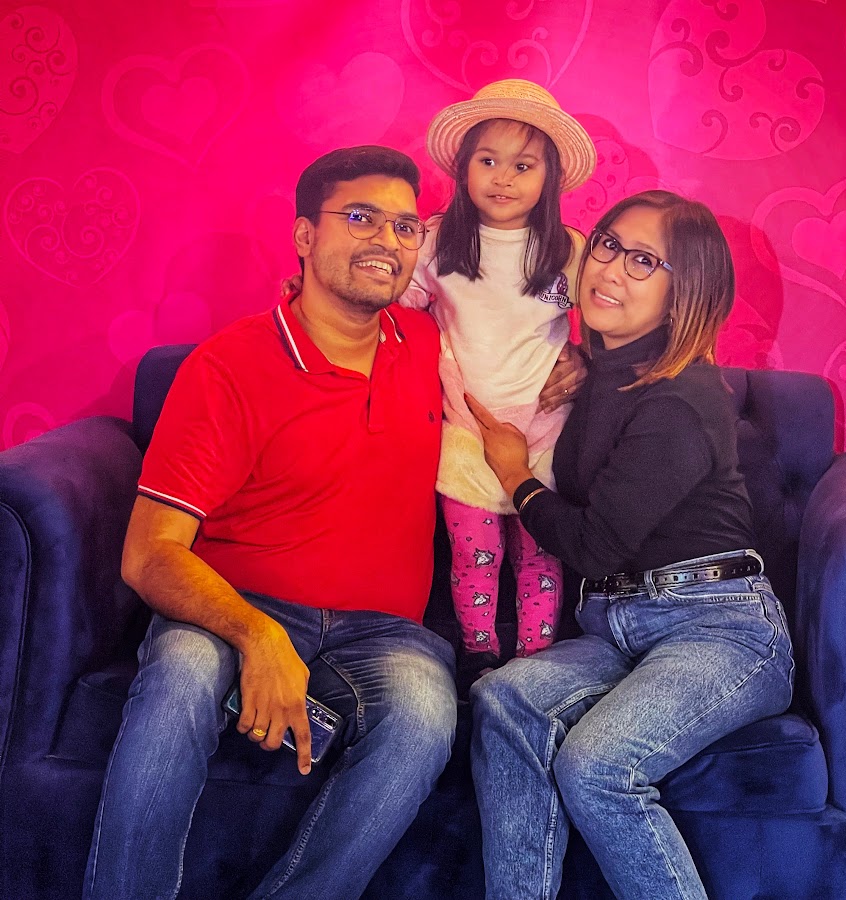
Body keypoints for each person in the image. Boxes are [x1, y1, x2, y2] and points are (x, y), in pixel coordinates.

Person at [83, 146, 460, 900]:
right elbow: (149, 554)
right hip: (236, 606)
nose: (387, 241)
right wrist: (260, 636)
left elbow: (527, 341)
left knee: (425, 715)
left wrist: (575, 368)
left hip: (381, 633)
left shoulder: (427, 345)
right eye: (361, 218)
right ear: (304, 236)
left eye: (405, 227)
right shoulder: (229, 366)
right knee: (181, 675)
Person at [465, 190, 795, 900]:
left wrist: (516, 476)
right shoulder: (599, 373)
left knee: (598, 766)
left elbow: (596, 545)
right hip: (617, 627)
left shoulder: (681, 396)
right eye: (608, 245)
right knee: (503, 699)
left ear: (686, 291)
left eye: (644, 260)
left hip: (721, 628)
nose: (610, 268)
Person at [403, 79, 597, 691]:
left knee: (540, 556)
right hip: (466, 429)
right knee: (474, 555)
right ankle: (478, 654)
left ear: (550, 177)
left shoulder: (567, 249)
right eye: (487, 161)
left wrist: (585, 362)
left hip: (546, 431)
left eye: (523, 165)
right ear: (463, 168)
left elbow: (603, 325)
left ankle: (536, 662)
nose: (503, 178)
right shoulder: (438, 240)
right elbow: (396, 306)